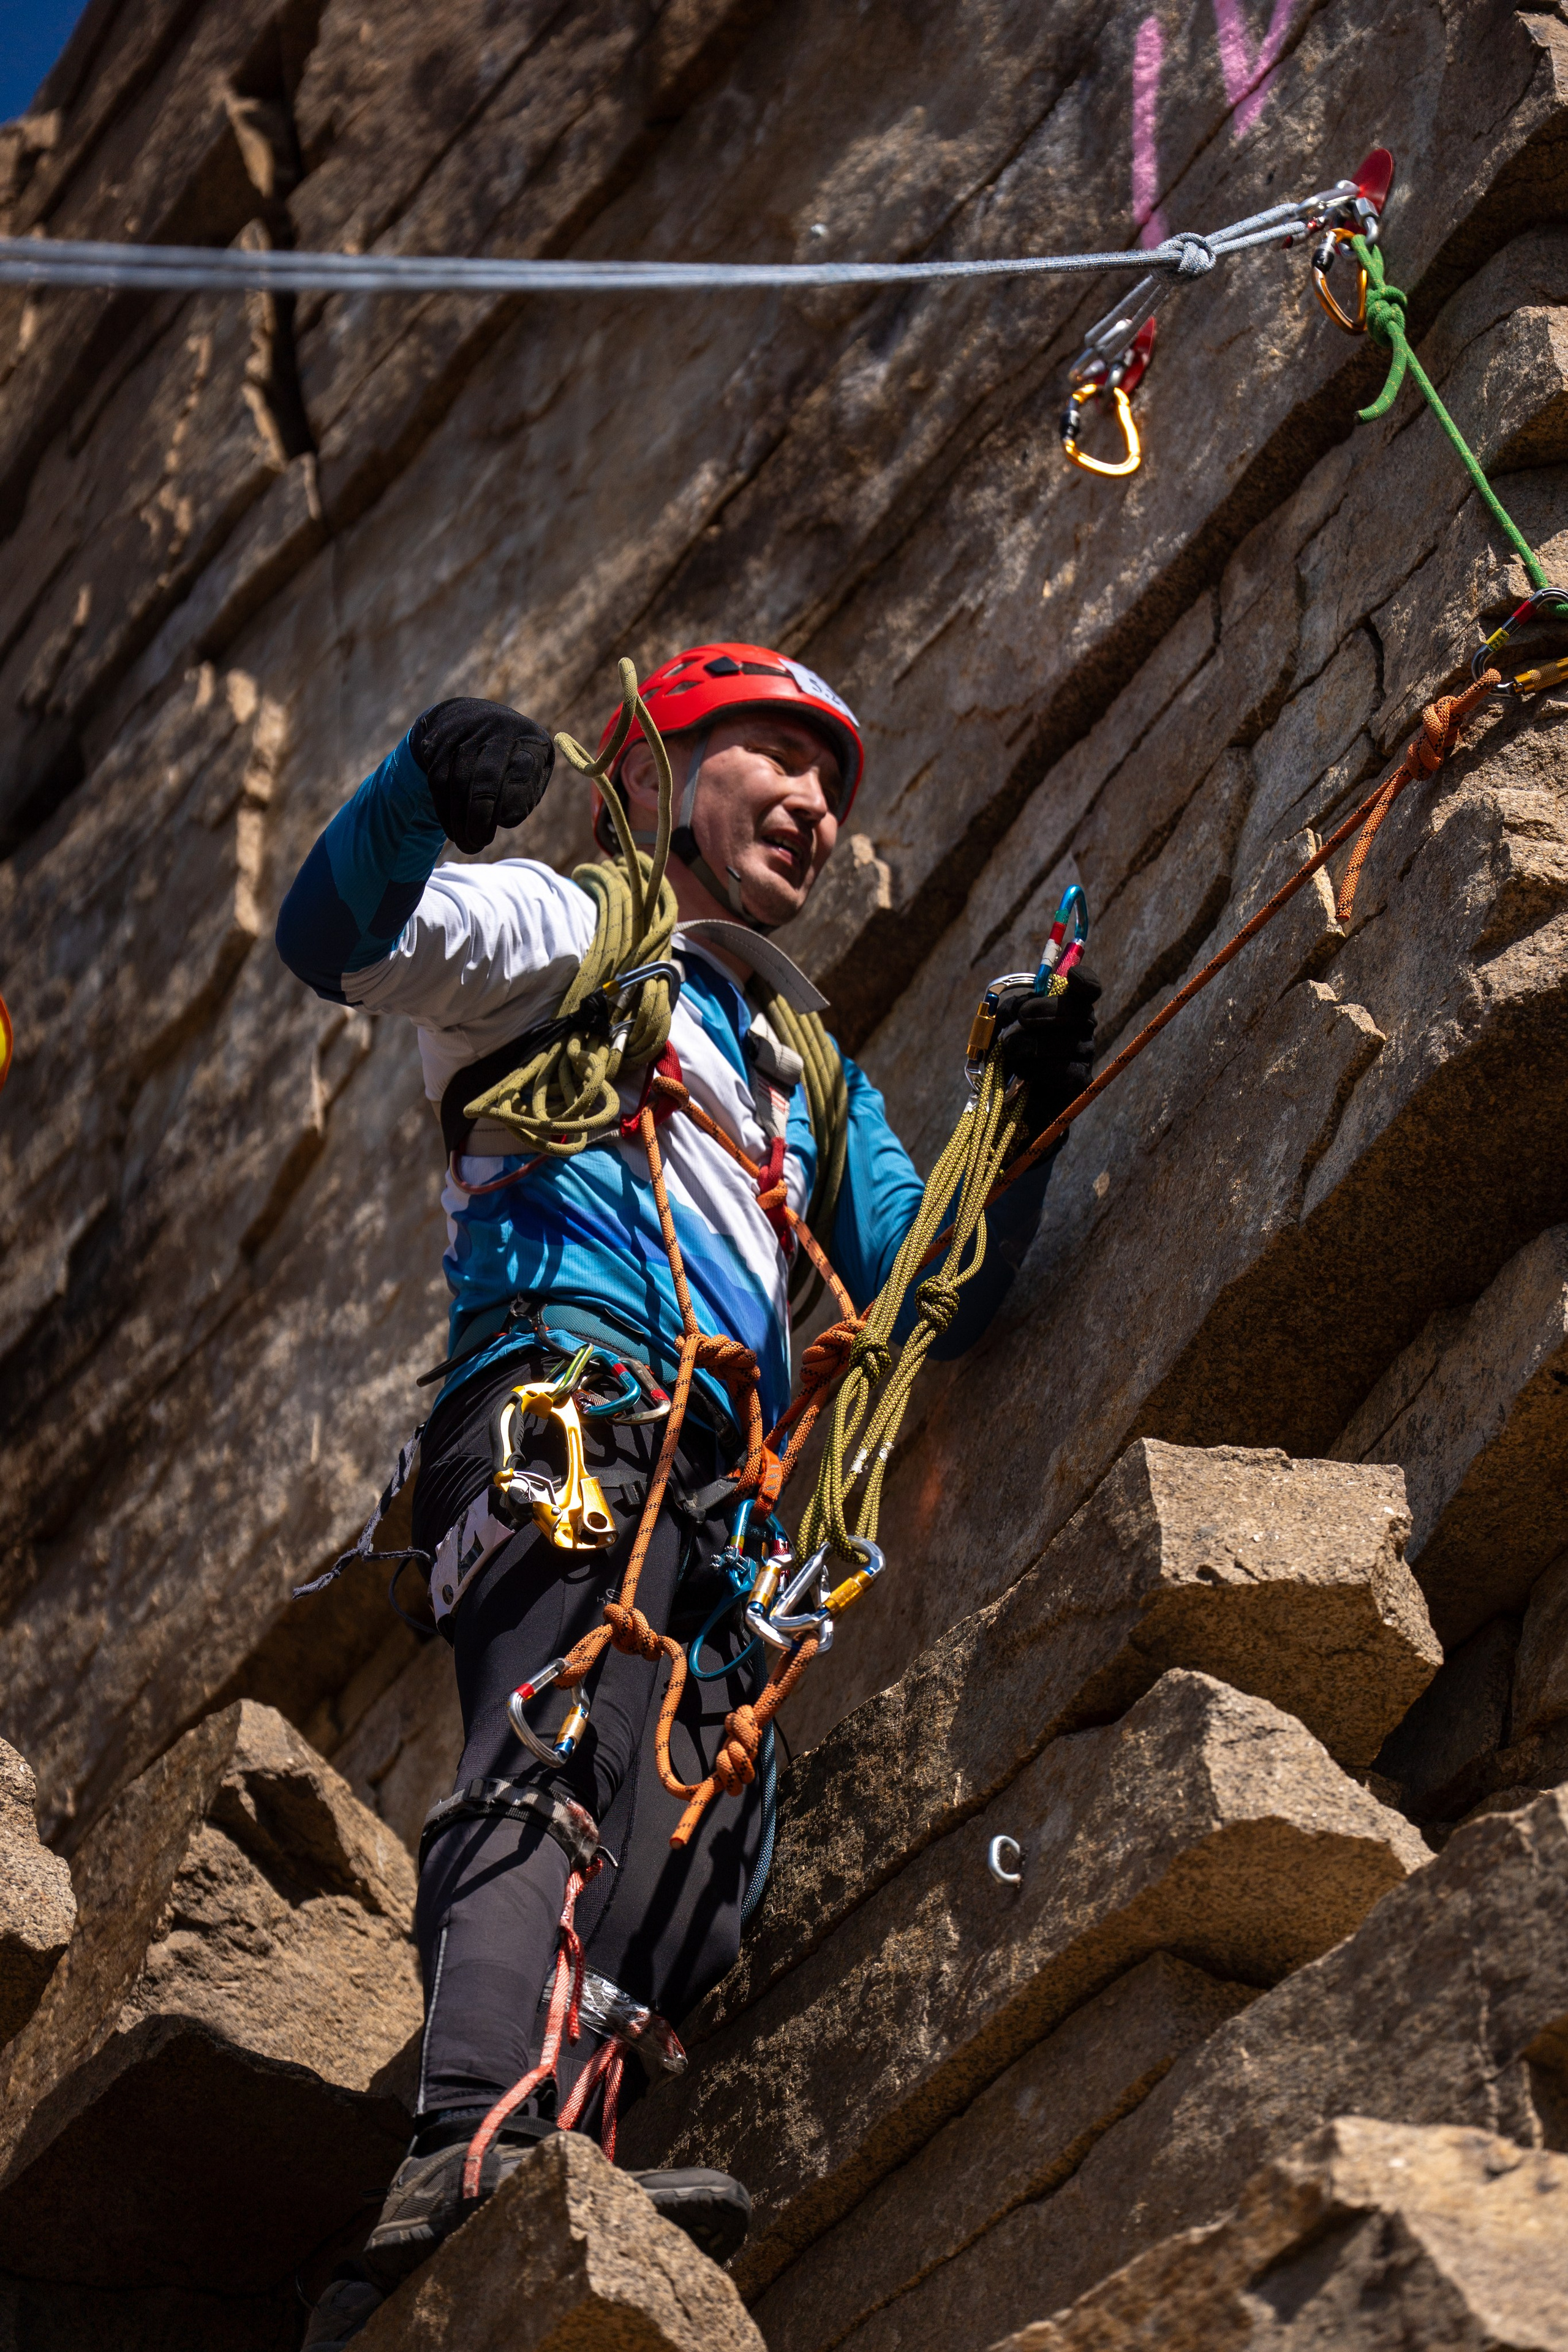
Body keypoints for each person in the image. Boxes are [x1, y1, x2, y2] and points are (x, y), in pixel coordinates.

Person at [275, 644, 1097, 2343]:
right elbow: (341, 939)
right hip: (566, 1397)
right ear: (663, 767)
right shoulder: (568, 928)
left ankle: (531, 2167)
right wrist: (424, 792)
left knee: (692, 1834)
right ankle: (467, 2143)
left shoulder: (808, 1064)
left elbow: (937, 1277)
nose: (815, 805)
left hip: (715, 1484)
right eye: (776, 758)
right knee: (559, 1741)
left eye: (833, 788)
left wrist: (1030, 1099)